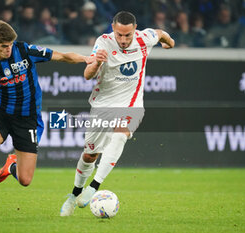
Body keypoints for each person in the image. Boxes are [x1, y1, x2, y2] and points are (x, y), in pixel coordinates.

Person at [0, 20, 92, 217]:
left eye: (10, 45)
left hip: (28, 118)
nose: (9, 49)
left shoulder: (24, 50)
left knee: (25, 180)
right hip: (1, 114)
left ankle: (11, 166)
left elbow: (62, 56)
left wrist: (86, 58)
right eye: (4, 46)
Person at [60, 11, 174, 217]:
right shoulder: (103, 43)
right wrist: (96, 63)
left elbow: (161, 33)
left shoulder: (144, 38)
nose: (123, 40)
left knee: (121, 133)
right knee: (90, 154)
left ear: (134, 30)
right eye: (119, 35)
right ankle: (74, 194)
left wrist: (170, 42)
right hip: (103, 105)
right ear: (113, 28)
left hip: (132, 104)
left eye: (127, 35)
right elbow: (87, 75)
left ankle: (94, 186)